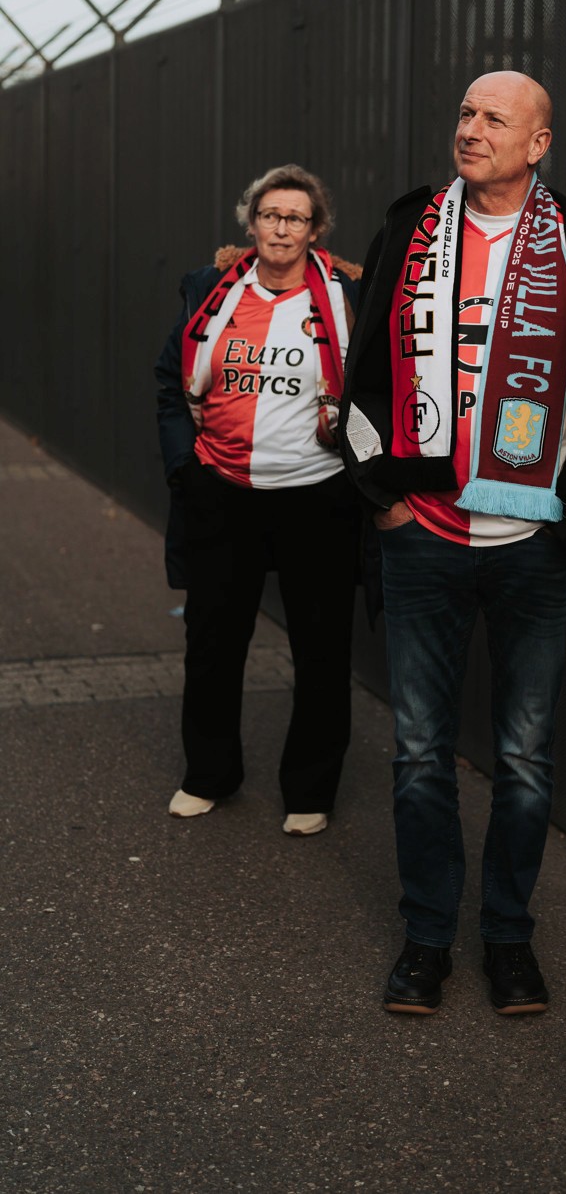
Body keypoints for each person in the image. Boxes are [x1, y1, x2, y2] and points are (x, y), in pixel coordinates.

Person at [340, 70, 566, 1014]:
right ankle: (427, 939)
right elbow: (361, 377)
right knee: (419, 752)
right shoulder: (410, 231)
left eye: (494, 119)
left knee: (522, 757)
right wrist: (383, 502)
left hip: (531, 545)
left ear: (538, 143)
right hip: (421, 537)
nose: (471, 129)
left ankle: (509, 939)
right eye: (466, 113)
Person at [155, 164, 361, 837]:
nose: (281, 228)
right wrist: (185, 469)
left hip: (315, 498)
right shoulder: (211, 290)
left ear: (315, 229)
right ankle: (208, 776)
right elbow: (170, 381)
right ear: (251, 222)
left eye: (296, 217)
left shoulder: (344, 297)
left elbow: (374, 388)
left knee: (321, 650)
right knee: (212, 644)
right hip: (223, 494)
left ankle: (310, 790)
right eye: (270, 215)